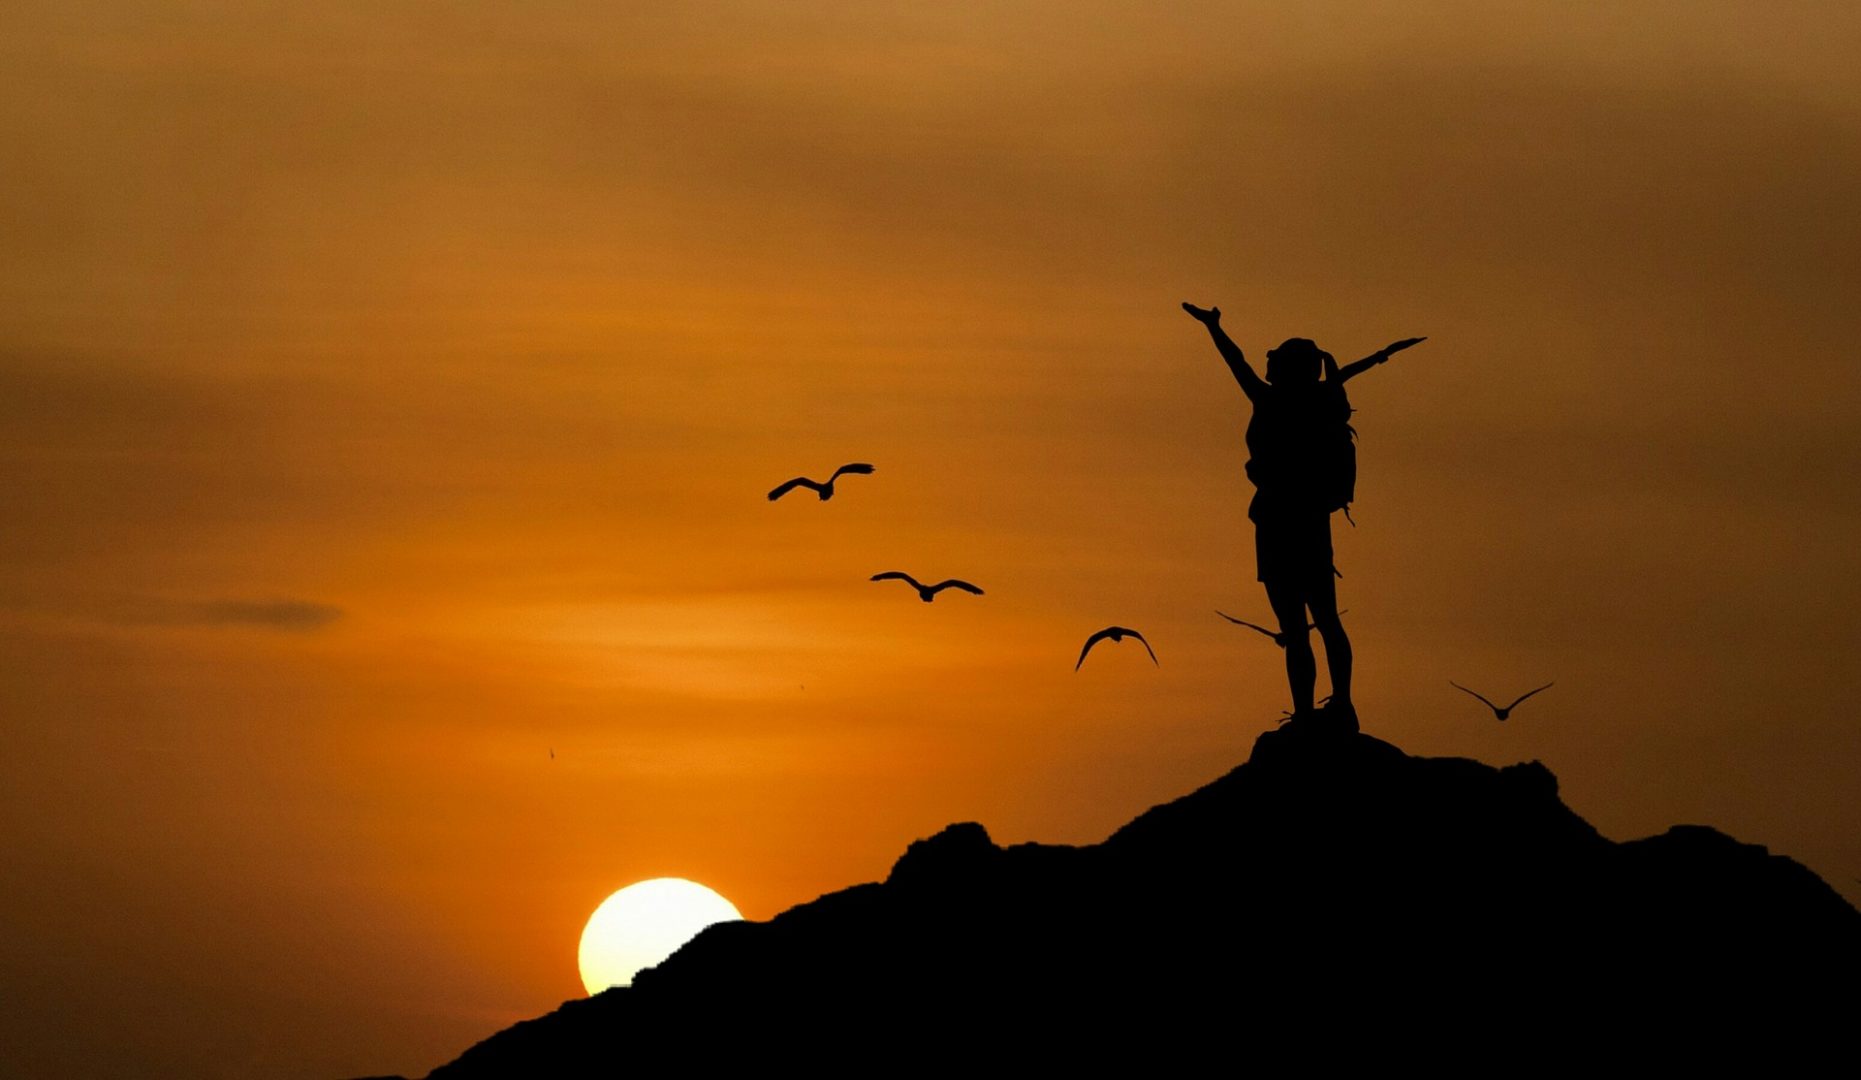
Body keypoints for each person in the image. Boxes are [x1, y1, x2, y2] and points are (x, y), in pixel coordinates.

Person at [1182, 301, 1423, 731]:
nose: (1268, 365)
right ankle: (1338, 705)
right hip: (1307, 521)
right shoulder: (1320, 403)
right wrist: (1214, 328)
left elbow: (1234, 361)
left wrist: (1213, 329)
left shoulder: (1270, 401)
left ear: (1286, 368)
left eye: (1275, 361)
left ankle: (1311, 712)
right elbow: (1244, 362)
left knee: (1297, 625)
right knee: (1323, 619)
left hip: (1278, 521)